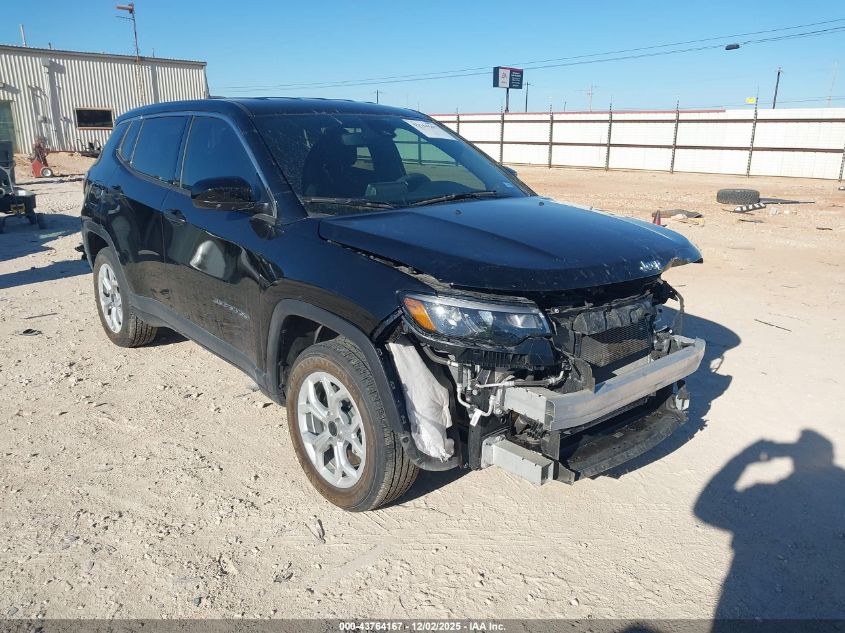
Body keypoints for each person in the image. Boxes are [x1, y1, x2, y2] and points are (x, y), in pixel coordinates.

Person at [694, 430, 845, 621]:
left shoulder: (763, 491)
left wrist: (744, 458)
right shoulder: (837, 489)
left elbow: (704, 510)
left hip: (746, 591)